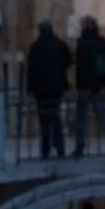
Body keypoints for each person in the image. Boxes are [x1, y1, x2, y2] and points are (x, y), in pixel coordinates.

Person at [24, 19, 75, 160]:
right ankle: (59, 148)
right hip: (56, 88)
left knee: (43, 120)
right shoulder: (59, 45)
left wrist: (29, 89)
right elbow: (69, 62)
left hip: (40, 89)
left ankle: (45, 149)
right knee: (55, 117)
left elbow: (31, 70)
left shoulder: (35, 47)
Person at [72, 16, 105, 156]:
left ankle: (80, 145)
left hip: (84, 85)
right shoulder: (104, 43)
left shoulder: (82, 44)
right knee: (102, 113)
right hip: (100, 84)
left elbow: (79, 65)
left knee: (81, 115)